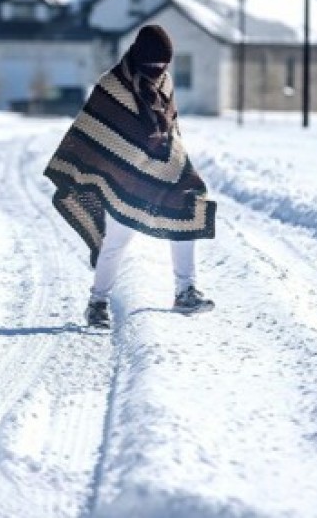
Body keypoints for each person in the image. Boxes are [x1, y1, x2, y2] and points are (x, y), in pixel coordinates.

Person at [43, 24, 216, 329]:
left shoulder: (165, 81)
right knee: (116, 242)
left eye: (164, 63)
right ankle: (97, 303)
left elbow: (171, 127)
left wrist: (176, 160)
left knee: (186, 214)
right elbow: (94, 129)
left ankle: (185, 291)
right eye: (153, 63)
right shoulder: (112, 84)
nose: (158, 69)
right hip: (124, 176)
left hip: (164, 170)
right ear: (139, 57)